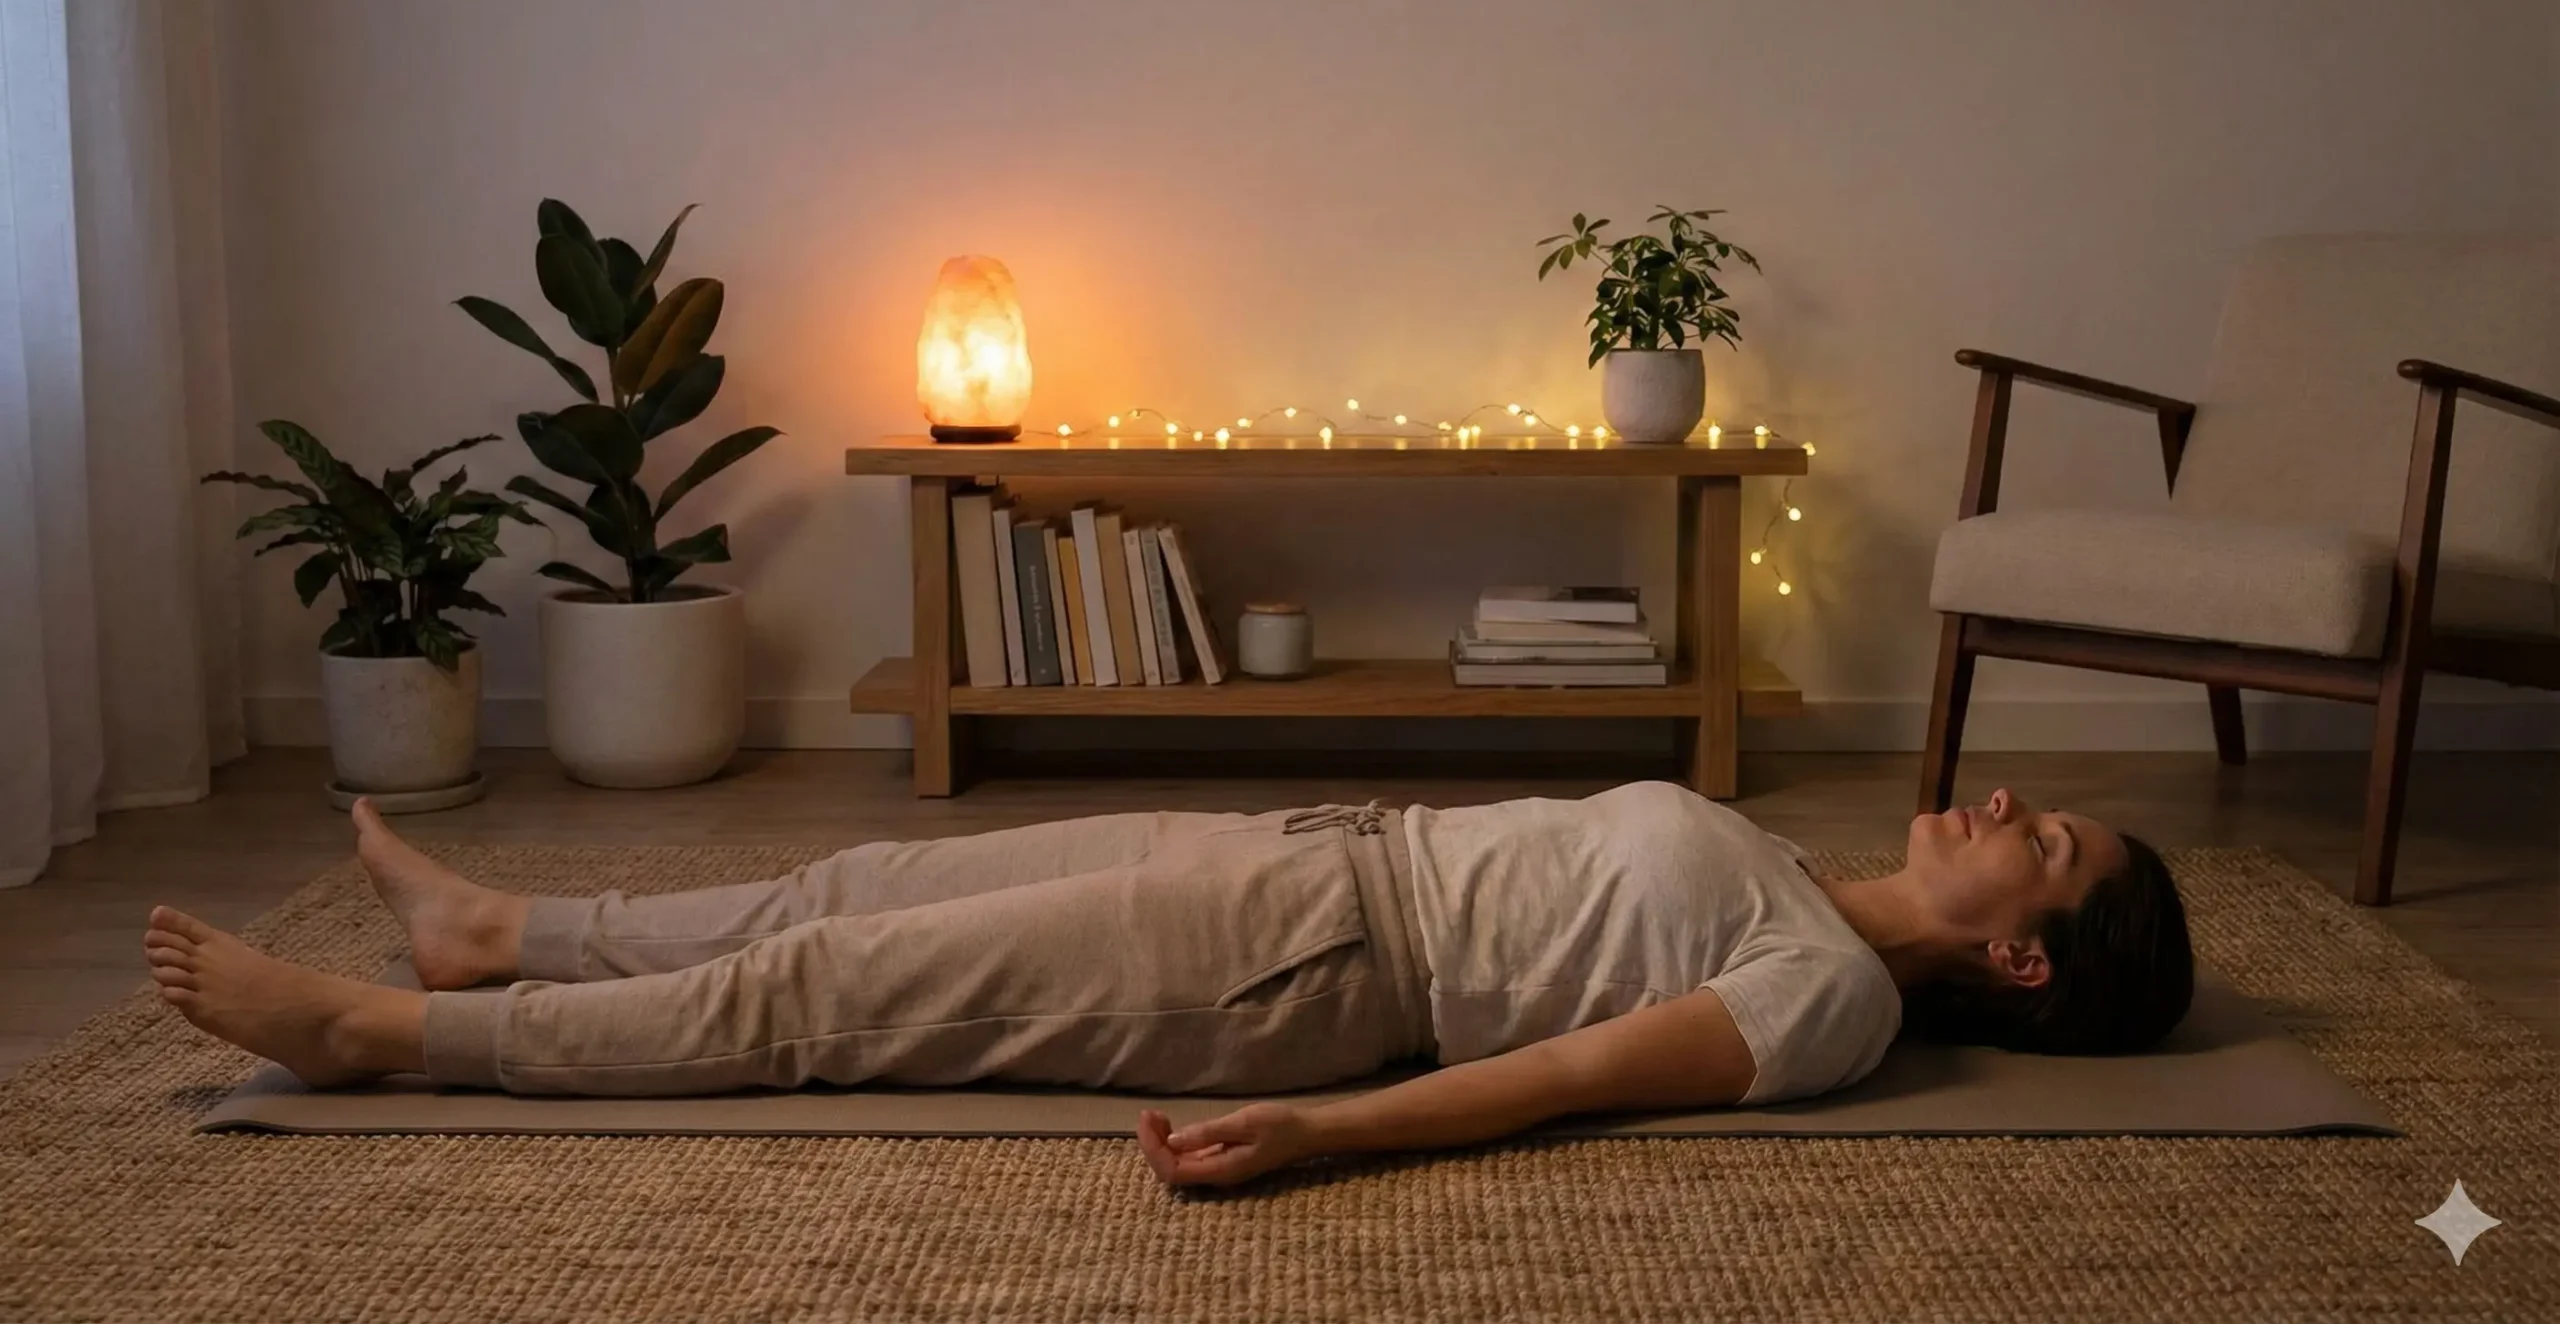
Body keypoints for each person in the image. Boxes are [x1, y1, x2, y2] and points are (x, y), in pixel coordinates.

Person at [143, 780, 2192, 1188]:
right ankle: (501, 935)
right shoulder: (1792, 865)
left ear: (2021, 949)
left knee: (832, 993)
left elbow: (1573, 1072)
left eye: (2048, 840)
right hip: (1304, 853)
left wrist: (1330, 1130)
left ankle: (386, 1032)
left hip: (1307, 965)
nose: (2011, 803)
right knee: (856, 879)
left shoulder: (1829, 997)